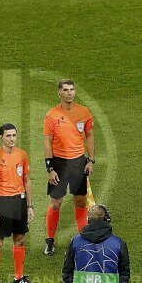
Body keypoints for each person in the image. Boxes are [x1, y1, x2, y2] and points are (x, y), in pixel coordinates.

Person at [43, 79, 96, 255]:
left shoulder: (84, 112)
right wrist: (50, 169)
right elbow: (48, 143)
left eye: (72, 89)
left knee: (80, 201)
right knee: (56, 202)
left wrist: (91, 160)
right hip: (59, 162)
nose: (69, 93)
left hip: (78, 162)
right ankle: (50, 240)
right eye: (65, 90)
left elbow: (89, 135)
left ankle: (82, 241)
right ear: (59, 93)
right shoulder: (52, 115)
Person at [0, 123, 34, 283]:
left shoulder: (22, 154)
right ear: (1, 137)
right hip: (2, 203)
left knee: (20, 240)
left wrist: (29, 206)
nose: (12, 139)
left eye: (14, 135)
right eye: (8, 136)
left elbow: (27, 181)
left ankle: (18, 277)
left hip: (19, 201)